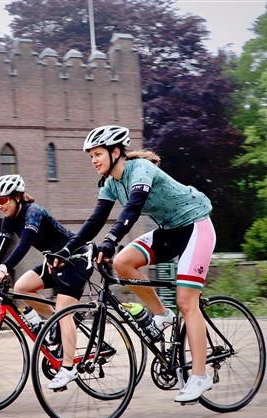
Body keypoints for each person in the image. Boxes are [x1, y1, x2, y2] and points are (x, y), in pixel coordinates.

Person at [53, 125, 216, 402]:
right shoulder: (110, 184)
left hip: (196, 225)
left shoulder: (139, 169)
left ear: (116, 152)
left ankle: (199, 376)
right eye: (91, 155)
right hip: (169, 231)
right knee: (123, 262)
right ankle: (162, 314)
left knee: (187, 302)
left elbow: (134, 207)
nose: (94, 160)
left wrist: (112, 238)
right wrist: (65, 250)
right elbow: (95, 220)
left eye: (98, 154)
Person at [0, 174, 92, 389]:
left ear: (17, 197)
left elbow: (23, 245)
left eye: (3, 200)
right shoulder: (9, 219)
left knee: (64, 310)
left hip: (76, 258)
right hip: (54, 261)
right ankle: (56, 327)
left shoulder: (33, 212)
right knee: (22, 287)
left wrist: (4, 269)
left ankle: (69, 368)